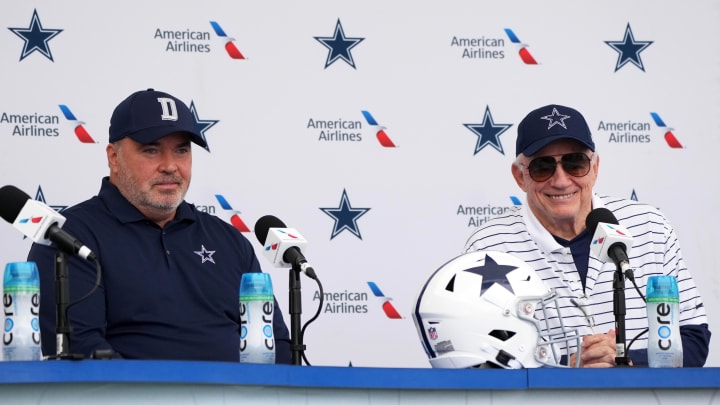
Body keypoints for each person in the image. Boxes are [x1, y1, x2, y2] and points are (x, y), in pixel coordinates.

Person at [27, 88, 291, 362]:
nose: (170, 166)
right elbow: (80, 349)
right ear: (113, 158)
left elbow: (276, 346)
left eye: (181, 150)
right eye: (151, 150)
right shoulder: (68, 237)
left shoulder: (229, 241)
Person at [462, 104, 710, 368]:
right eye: (542, 167)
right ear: (520, 176)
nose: (560, 180)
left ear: (595, 167)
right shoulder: (490, 246)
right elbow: (479, 356)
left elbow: (693, 340)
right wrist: (569, 367)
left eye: (575, 163)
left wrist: (625, 360)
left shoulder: (650, 227)